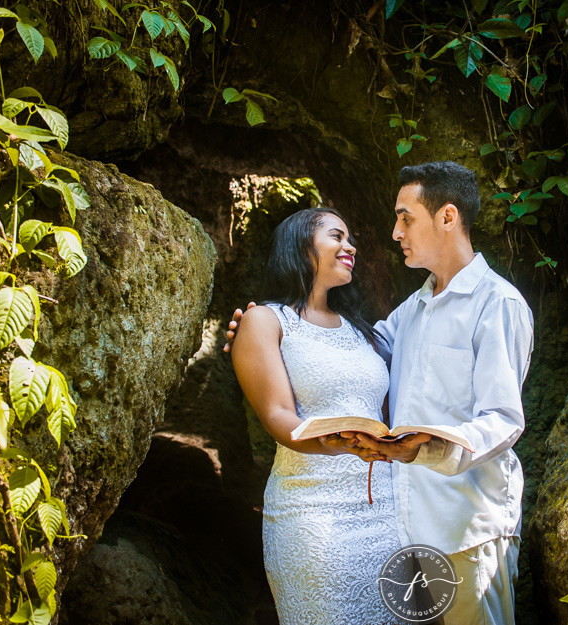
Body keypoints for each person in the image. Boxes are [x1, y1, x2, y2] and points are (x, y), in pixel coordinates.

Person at [228, 162, 534, 625]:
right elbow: (344, 356)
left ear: (447, 217)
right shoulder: (409, 312)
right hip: (404, 528)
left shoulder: (498, 303)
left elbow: (504, 419)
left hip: (468, 524)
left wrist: (427, 447)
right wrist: (256, 330)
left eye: (405, 218)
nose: (394, 232)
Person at [229, 207, 421, 625]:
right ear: (301, 244)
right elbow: (277, 414)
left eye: (350, 238)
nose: (349, 246)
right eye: (337, 236)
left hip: (385, 513)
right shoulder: (265, 320)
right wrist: (331, 442)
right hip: (312, 513)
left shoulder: (362, 331)